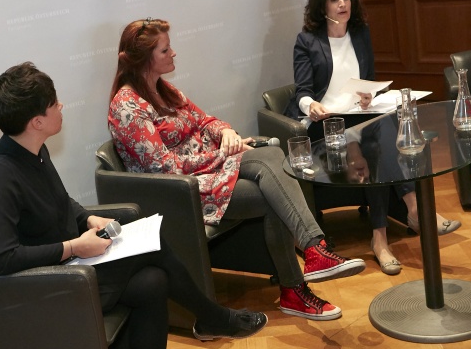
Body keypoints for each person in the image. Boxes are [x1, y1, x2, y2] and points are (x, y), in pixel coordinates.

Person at [0, 62, 267, 349]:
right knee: (154, 245)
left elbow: (59, 201)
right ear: (37, 122)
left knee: (152, 282)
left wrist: (87, 218)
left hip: (62, 270)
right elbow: (3, 258)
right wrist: (74, 247)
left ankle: (210, 319)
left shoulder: (33, 152)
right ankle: (213, 318)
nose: (61, 106)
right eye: (54, 103)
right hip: (33, 289)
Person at [107, 18, 365, 322]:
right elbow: (164, 167)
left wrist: (226, 133)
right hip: (182, 192)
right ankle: (300, 280)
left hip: (209, 174)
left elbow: (205, 121)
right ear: (144, 60)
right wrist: (222, 155)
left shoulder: (164, 90)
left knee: (272, 157)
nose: (173, 53)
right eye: (165, 50)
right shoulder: (127, 107)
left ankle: (312, 253)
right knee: (274, 192)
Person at [284, 0, 460, 275]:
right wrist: (310, 105)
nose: (342, 4)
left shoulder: (360, 33)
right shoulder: (307, 41)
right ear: (322, 6)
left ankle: (383, 237)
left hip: (358, 116)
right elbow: (303, 92)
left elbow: (367, 81)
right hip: (326, 122)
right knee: (377, 136)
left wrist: (369, 96)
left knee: (382, 128)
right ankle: (414, 211)